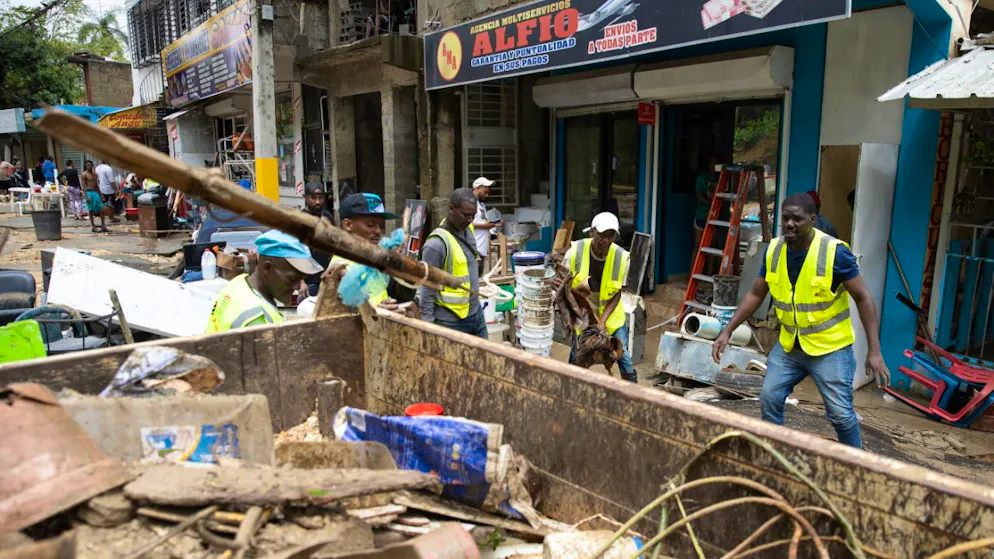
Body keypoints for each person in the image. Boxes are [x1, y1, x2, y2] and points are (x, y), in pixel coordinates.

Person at [711, 193, 890, 449]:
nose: (790, 224)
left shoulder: (835, 253)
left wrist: (874, 350)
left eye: (797, 218)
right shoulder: (773, 250)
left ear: (812, 219)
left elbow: (863, 297)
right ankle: (776, 454)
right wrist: (727, 330)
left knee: (840, 414)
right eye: (785, 218)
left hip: (830, 349)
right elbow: (755, 294)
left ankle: (856, 461)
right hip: (789, 348)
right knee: (769, 398)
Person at [563, 212, 635, 383]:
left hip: (610, 317)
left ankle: (633, 394)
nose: (606, 241)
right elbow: (565, 289)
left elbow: (617, 293)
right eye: (602, 235)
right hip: (583, 313)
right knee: (577, 355)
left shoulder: (622, 257)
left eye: (611, 236)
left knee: (623, 356)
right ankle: (570, 389)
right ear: (591, 232)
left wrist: (602, 322)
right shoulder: (575, 252)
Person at [206, 229, 323, 333]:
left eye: (302, 279)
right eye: (292, 279)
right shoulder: (257, 321)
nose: (298, 287)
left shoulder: (239, 282)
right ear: (267, 268)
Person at [417, 188, 486, 338]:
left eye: (473, 216)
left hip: (475, 313)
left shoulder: (468, 230)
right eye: (466, 215)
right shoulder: (436, 244)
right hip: (450, 321)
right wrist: (428, 327)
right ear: (451, 209)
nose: (469, 220)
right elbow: (427, 288)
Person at [326, 192, 413, 312]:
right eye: (370, 225)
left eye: (381, 226)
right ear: (348, 225)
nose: (378, 231)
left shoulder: (376, 260)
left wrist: (405, 269)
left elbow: (401, 295)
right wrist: (375, 312)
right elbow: (335, 315)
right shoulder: (339, 267)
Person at [300, 182, 335, 296]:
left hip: (327, 278)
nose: (317, 202)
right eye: (313, 198)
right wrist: (301, 282)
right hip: (309, 282)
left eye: (320, 198)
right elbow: (294, 252)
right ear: (305, 197)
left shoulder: (328, 217)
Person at [693, 155, 720, 272]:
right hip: (701, 216)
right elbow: (700, 196)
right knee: (698, 246)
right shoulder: (702, 177)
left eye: (716, 163)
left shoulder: (720, 178)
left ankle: (709, 275)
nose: (713, 166)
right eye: (711, 163)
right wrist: (712, 204)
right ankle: (691, 275)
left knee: (712, 248)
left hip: (714, 216)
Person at [471, 177, 502, 274]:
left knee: (479, 278)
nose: (487, 195)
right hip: (473, 247)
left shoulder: (481, 205)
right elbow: (466, 223)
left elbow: (482, 221)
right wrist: (486, 226)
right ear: (477, 188)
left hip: (481, 248)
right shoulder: (469, 203)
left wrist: (494, 224)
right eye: (485, 192)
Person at [82, 160, 107, 232]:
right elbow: (83, 186)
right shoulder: (84, 174)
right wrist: (86, 196)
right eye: (87, 165)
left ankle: (103, 226)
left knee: (102, 209)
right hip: (89, 193)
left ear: (92, 165)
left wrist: (101, 195)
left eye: (90, 165)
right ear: (86, 166)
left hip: (96, 193)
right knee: (91, 211)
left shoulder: (95, 174)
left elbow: (97, 185)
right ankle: (93, 226)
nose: (89, 166)